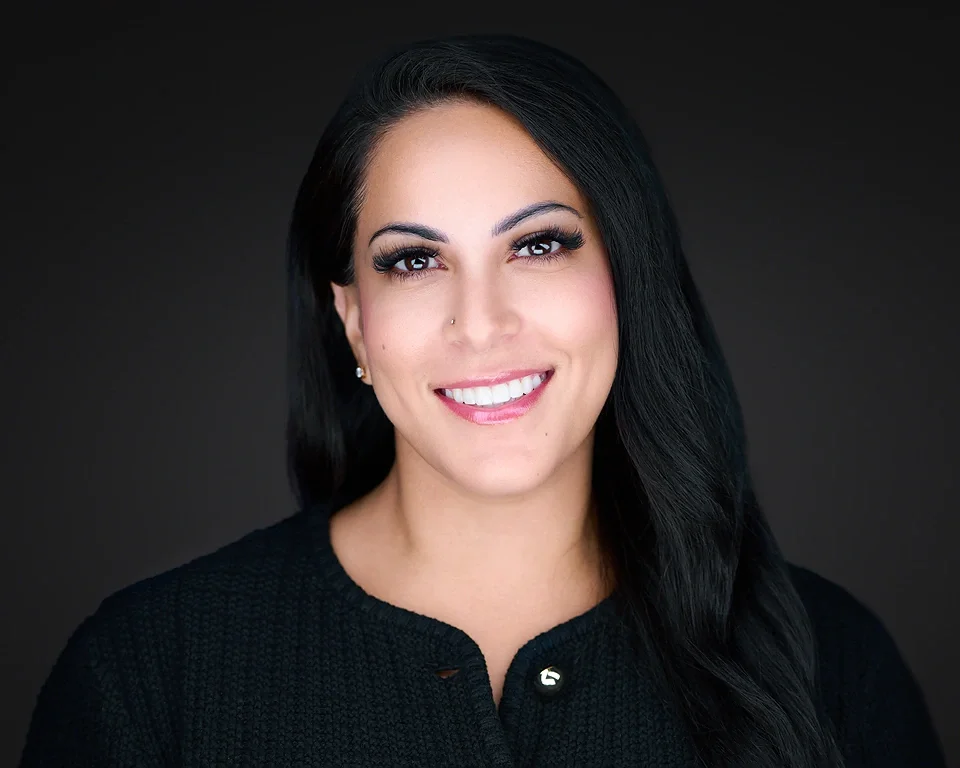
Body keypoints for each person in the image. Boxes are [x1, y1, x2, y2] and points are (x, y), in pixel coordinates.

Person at [20, 33, 946, 768]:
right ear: (352, 324)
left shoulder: (830, 663)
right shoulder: (149, 673)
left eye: (539, 245)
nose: (481, 321)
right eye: (414, 261)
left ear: (628, 278)